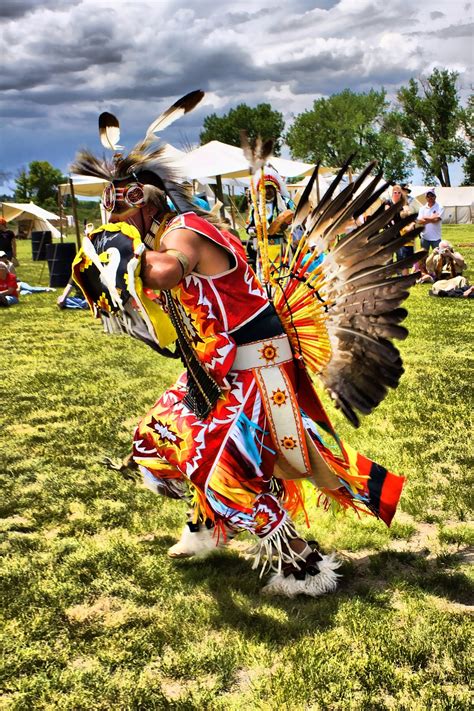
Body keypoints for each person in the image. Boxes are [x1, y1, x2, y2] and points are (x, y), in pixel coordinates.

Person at [69, 91, 420, 597]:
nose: (113, 218)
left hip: (259, 368)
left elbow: (168, 272)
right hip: (217, 363)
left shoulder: (185, 231)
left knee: (225, 469)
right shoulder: (165, 233)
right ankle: (206, 528)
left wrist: (121, 257)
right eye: (108, 210)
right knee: (159, 437)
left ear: (145, 202)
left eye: (119, 207)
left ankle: (303, 564)